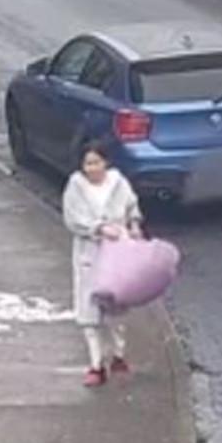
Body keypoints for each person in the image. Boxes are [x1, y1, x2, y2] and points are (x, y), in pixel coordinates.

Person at [62, 142, 144, 388]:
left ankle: (118, 354)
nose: (93, 168)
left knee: (116, 309)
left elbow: (132, 207)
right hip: (90, 254)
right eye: (88, 163)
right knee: (89, 311)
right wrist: (97, 229)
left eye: (96, 162)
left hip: (118, 252)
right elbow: (73, 219)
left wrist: (134, 226)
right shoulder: (75, 187)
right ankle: (96, 365)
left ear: (105, 162)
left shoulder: (119, 183)